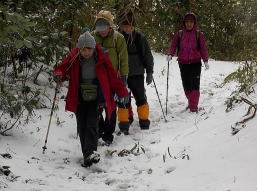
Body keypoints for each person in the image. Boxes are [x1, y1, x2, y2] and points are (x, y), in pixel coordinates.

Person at [53, 32, 129, 167]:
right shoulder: (74, 56)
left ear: (93, 48)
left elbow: (112, 76)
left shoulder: (102, 57)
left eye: (88, 49)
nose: (85, 52)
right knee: (82, 125)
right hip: (79, 96)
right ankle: (87, 154)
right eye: (82, 49)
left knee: (92, 124)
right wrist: (59, 75)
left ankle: (91, 152)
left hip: (96, 96)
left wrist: (122, 92)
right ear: (79, 48)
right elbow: (62, 69)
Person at [92, 10, 130, 140]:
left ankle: (108, 134)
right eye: (99, 26)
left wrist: (124, 76)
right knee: (96, 107)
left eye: (105, 26)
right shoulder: (92, 38)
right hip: (96, 79)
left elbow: (123, 59)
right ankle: (99, 129)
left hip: (113, 79)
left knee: (111, 107)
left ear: (110, 26)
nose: (102, 30)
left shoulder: (118, 38)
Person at [116, 9, 154, 130]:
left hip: (137, 73)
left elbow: (147, 55)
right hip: (121, 75)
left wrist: (149, 72)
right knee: (123, 100)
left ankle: (144, 121)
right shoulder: (116, 37)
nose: (127, 29)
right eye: (124, 26)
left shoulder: (139, 37)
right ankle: (124, 122)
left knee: (140, 98)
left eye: (129, 26)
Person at [166, 12, 209, 112]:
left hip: (196, 63)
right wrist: (170, 54)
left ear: (194, 23)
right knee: (186, 85)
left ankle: (194, 107)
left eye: (191, 22)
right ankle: (191, 102)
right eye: (187, 22)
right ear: (184, 23)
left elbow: (203, 49)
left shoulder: (199, 35)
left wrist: (205, 60)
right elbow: (173, 45)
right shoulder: (179, 34)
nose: (189, 24)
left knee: (194, 84)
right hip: (183, 63)